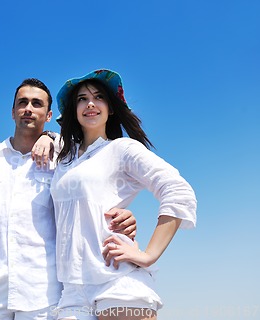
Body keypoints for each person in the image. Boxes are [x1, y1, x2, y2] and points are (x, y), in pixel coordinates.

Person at [0, 78, 138, 320]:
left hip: (44, 291)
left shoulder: (67, 155)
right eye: (22, 102)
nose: (28, 108)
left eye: (36, 104)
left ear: (48, 115)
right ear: (13, 111)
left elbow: (90, 195)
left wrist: (122, 214)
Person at [47, 69, 197, 320]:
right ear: (73, 109)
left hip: (117, 280)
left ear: (111, 108)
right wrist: (44, 137)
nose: (90, 103)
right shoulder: (64, 160)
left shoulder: (122, 149)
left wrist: (148, 255)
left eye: (98, 97)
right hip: (72, 291)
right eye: (82, 99)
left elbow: (177, 189)